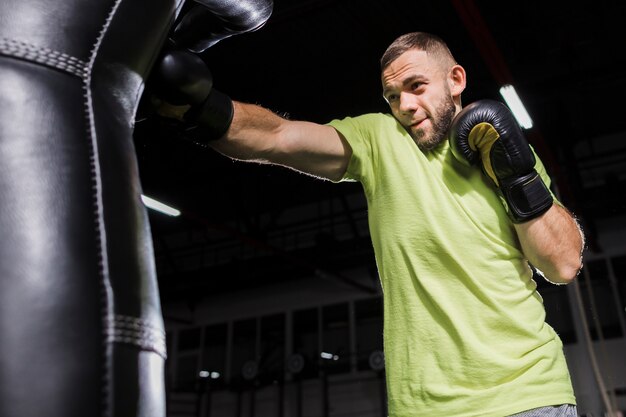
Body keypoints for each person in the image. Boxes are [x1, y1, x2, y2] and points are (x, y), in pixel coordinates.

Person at [157, 31, 585, 417]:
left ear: (456, 80)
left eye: (416, 87)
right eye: (393, 96)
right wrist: (197, 106)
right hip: (422, 407)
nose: (406, 106)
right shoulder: (381, 139)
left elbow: (563, 264)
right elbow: (279, 138)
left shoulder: (500, 147)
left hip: (528, 396)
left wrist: (518, 175)